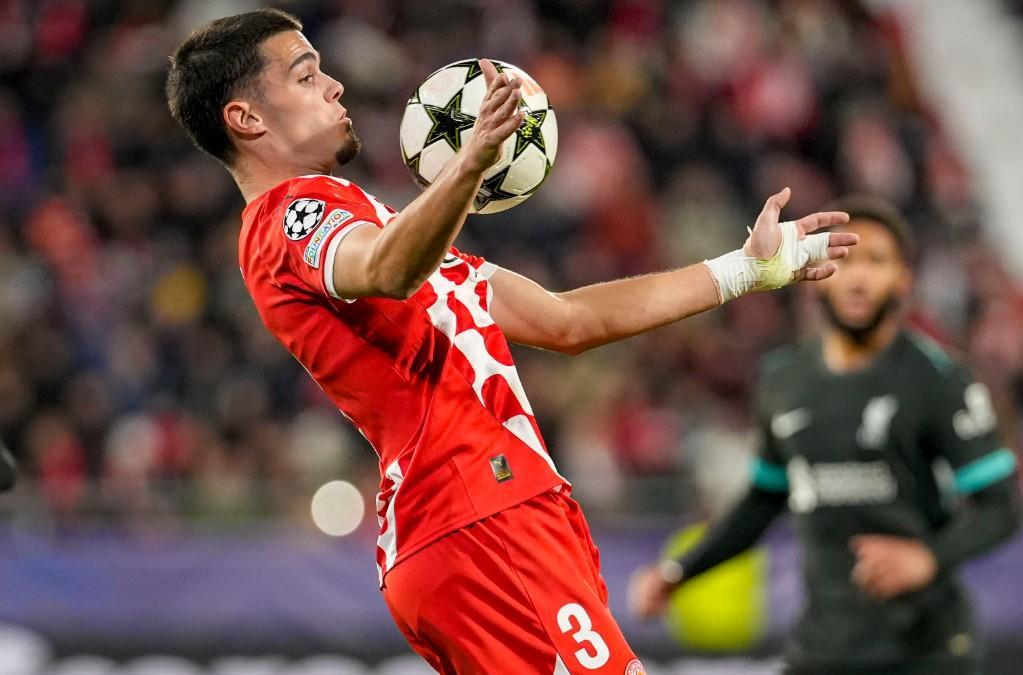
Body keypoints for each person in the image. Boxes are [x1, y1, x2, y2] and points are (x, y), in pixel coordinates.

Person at [164, 10, 857, 675]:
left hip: (492, 513)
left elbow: (567, 321)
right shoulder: (290, 218)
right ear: (246, 117)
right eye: (306, 74)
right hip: (476, 514)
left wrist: (746, 268)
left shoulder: (381, 223)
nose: (334, 84)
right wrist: (469, 166)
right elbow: (385, 269)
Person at [629, 197, 1022, 675]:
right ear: (815, 271)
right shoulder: (783, 378)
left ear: (903, 279)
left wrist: (927, 556)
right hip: (824, 644)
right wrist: (679, 573)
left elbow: (1001, 508)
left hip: (925, 646)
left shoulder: (939, 381)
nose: (858, 277)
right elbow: (763, 500)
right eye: (845, 257)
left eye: (877, 260)